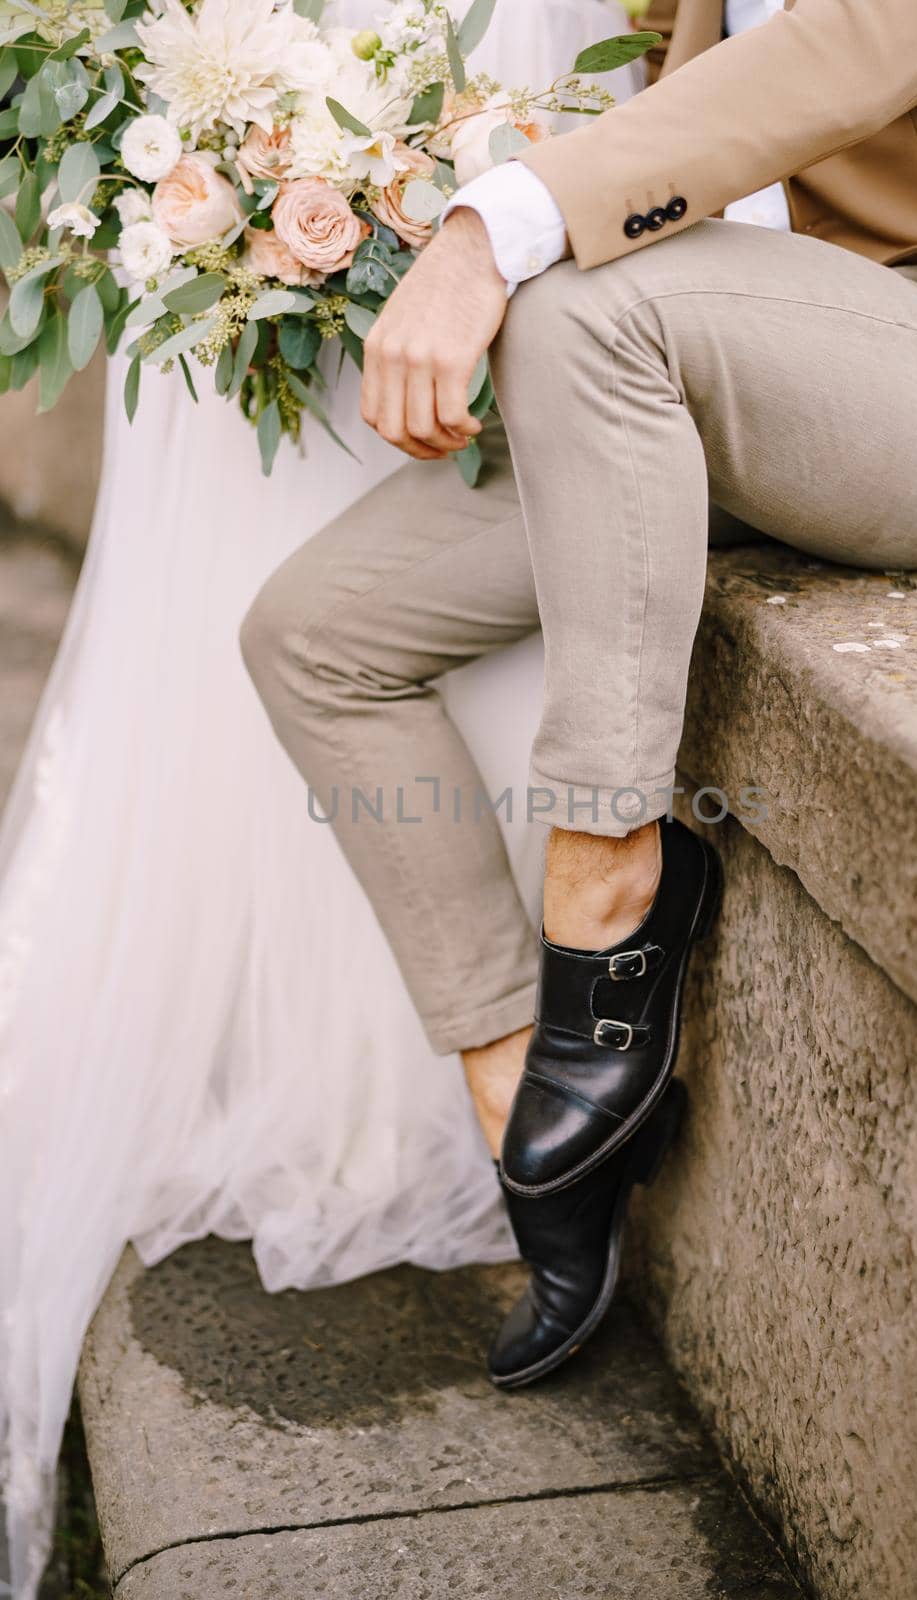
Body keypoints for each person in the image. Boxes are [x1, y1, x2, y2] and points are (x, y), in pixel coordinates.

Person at [242, 0, 917, 1391]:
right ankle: (523, 1089)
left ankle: (612, 880)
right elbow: (688, 114)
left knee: (579, 304)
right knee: (315, 636)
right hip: (713, 373)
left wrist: (481, 234)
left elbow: (839, 59)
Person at [0, 7, 646, 1597]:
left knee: (466, 499)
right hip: (275, 68)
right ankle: (494, 1075)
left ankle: (524, 1073)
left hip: (551, 133)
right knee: (286, 563)